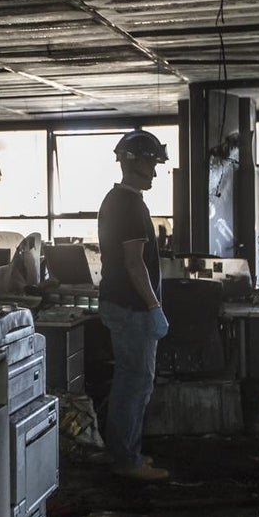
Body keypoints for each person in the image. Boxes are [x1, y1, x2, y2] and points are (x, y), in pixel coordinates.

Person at [97, 129, 171, 481]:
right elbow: (133, 263)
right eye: (150, 163)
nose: (155, 172)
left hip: (123, 306)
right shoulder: (128, 205)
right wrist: (154, 306)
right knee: (135, 384)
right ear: (131, 163)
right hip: (133, 309)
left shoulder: (119, 201)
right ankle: (127, 462)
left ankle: (126, 453)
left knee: (130, 382)